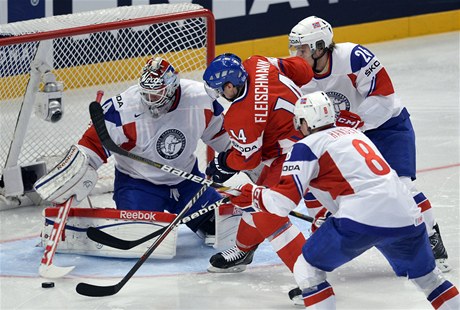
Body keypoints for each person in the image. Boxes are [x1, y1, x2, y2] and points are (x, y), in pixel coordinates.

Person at [226, 91, 459, 309]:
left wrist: (252, 194)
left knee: (308, 270)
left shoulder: (306, 146)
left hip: (362, 217)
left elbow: (282, 202)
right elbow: (360, 182)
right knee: (430, 280)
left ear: (305, 122)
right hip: (408, 215)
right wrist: (332, 215)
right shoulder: (356, 135)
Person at [288, 16, 450, 271]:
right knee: (316, 180)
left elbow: (385, 98)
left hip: (386, 127)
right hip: (345, 134)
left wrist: (358, 121)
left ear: (320, 47)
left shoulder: (353, 56)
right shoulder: (298, 75)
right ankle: (320, 226)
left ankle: (430, 237)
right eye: (295, 49)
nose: (297, 54)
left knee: (403, 187)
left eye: (303, 49)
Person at [34, 57, 230, 245]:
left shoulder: (200, 99)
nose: (150, 100)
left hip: (187, 181)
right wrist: (77, 172)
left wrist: (239, 161)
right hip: (138, 185)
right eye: (146, 93)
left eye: (156, 94)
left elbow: (224, 140)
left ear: (171, 89)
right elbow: (91, 146)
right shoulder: (123, 108)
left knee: (225, 228)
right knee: (139, 238)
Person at [202, 53, 314, 273]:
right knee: (254, 201)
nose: (220, 96)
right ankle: (243, 250)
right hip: (315, 130)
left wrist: (223, 163)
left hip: (296, 155)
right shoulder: (258, 62)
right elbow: (304, 70)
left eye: (220, 90)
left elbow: (248, 160)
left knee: (265, 213)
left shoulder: (240, 116)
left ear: (230, 86)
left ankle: (310, 277)